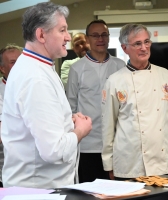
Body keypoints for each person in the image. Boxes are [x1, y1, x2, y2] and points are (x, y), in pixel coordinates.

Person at [1, 2, 92, 188]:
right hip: (38, 190)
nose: (68, 37)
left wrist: (67, 122)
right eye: (62, 30)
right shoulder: (35, 78)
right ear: (41, 34)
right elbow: (53, 151)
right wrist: (81, 130)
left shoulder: (39, 66)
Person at [101, 23, 168, 181]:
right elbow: (108, 126)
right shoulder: (114, 82)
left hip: (165, 160)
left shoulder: (165, 76)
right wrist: (109, 164)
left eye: (146, 42)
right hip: (130, 163)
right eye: (137, 43)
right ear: (124, 48)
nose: (144, 47)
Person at [66, 19, 125, 183]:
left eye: (104, 35)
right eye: (95, 35)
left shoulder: (120, 66)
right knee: (90, 192)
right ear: (87, 38)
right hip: (88, 145)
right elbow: (70, 106)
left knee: (117, 191)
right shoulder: (77, 69)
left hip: (117, 144)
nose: (100, 39)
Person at [0, 44, 22, 187]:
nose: (20, 65)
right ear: (2, 68)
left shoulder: (35, 86)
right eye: (13, 62)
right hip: (6, 169)